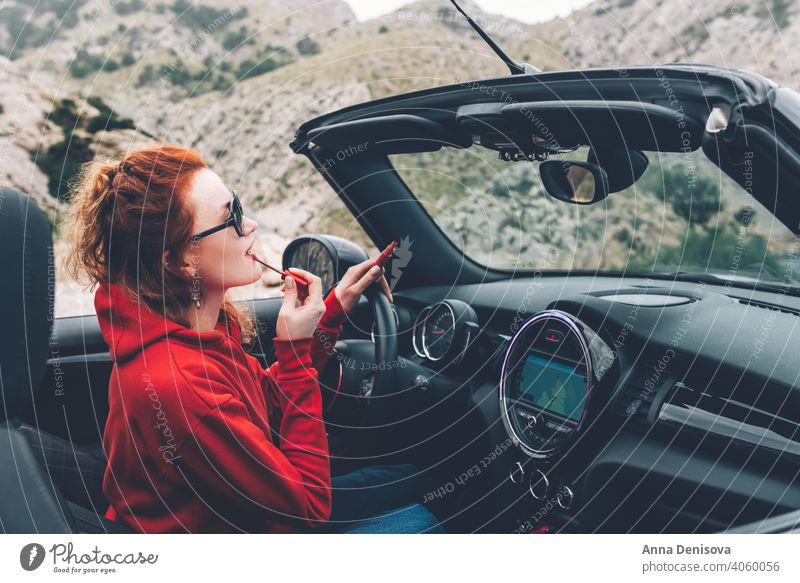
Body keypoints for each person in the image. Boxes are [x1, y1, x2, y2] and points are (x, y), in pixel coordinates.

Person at [63, 144, 441, 534]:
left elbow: (266, 406)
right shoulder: (179, 384)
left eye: (239, 206)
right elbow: (308, 507)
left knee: (412, 476)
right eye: (233, 217)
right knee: (421, 523)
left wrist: (331, 313)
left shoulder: (194, 330)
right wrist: (293, 353)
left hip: (241, 516)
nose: (251, 225)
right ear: (179, 260)